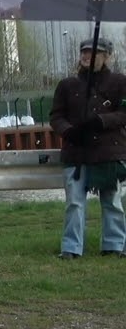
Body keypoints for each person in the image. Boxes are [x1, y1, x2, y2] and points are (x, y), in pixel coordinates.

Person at [49, 38, 126, 259]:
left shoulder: (120, 83)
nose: (87, 56)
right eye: (84, 51)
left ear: (107, 56)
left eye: (94, 52)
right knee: (74, 202)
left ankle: (114, 244)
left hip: (108, 153)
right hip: (77, 152)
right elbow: (56, 116)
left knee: (112, 200)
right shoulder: (67, 85)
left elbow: (124, 113)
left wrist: (102, 120)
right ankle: (71, 248)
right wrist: (68, 131)